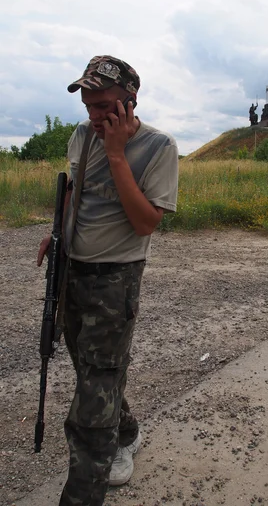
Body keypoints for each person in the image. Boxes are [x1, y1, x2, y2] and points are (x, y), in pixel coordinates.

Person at [37, 55, 179, 506]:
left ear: (130, 101)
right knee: (92, 371)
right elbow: (75, 189)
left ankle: (82, 493)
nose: (95, 116)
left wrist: (117, 154)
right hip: (72, 270)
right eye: (89, 106)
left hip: (115, 279)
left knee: (92, 401)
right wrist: (55, 232)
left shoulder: (159, 148)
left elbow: (145, 224)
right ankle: (129, 432)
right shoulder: (81, 136)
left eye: (105, 107)